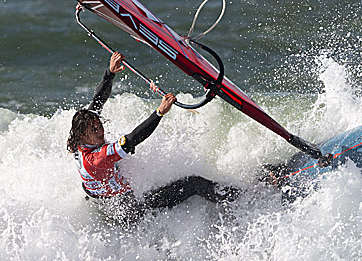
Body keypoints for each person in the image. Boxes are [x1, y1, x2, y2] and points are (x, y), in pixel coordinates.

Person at [67, 52, 240, 222]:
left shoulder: (77, 137)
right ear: (83, 135)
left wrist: (110, 73)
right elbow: (132, 139)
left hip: (100, 201)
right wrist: (159, 113)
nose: (101, 131)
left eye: (99, 126)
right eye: (95, 130)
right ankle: (243, 199)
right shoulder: (98, 158)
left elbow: (97, 101)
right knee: (194, 184)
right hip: (130, 211)